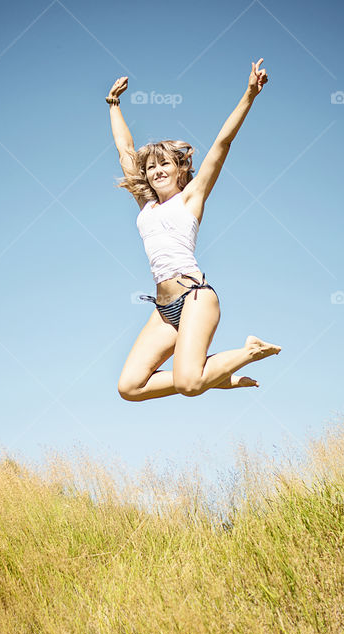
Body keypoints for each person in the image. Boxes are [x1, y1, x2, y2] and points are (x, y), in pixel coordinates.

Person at [109, 58, 282, 402]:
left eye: (165, 164)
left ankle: (249, 351)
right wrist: (113, 105)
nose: (157, 170)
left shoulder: (191, 198)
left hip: (195, 297)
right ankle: (213, 376)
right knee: (129, 387)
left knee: (189, 386)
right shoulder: (146, 205)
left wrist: (250, 94)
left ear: (180, 170)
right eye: (152, 166)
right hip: (164, 308)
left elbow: (222, 145)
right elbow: (124, 151)